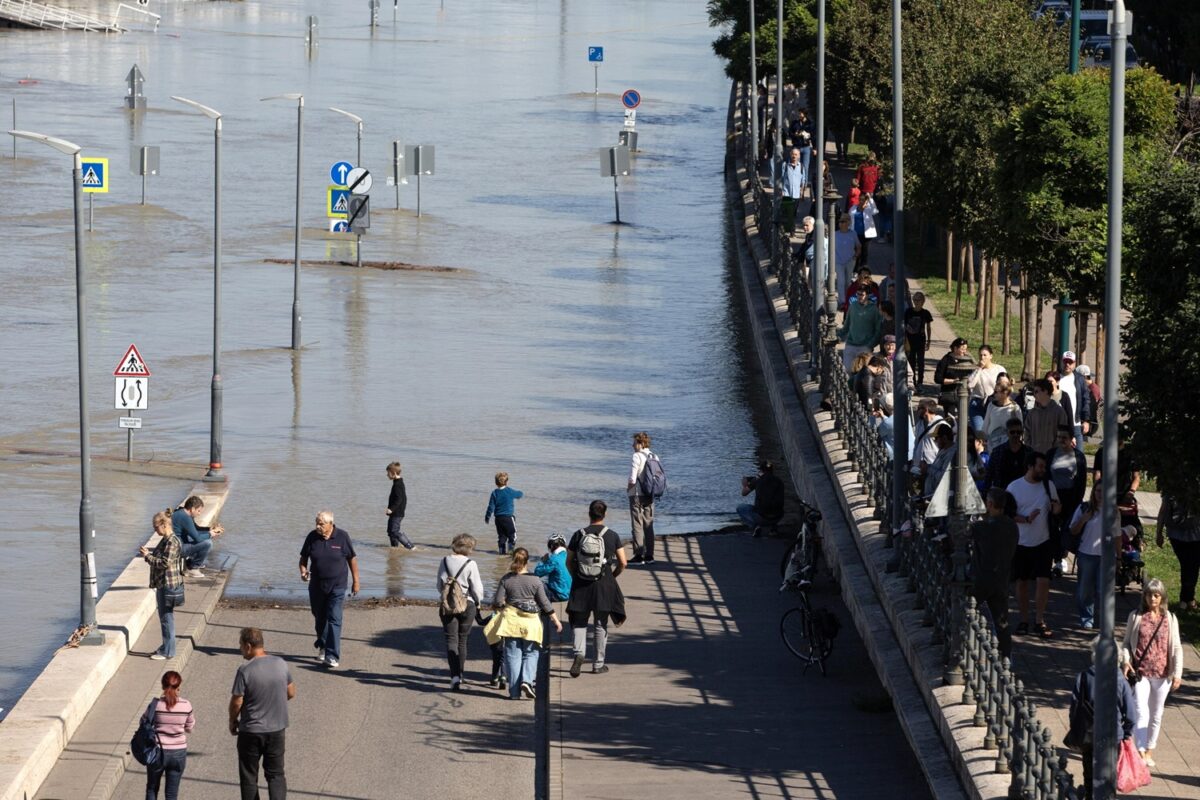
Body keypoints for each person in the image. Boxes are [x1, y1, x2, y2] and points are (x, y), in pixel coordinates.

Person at [1121, 579, 1185, 768]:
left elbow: (1177, 648)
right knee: (1141, 710)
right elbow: (1125, 644)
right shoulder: (1136, 616)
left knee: (1156, 714)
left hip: (1163, 674)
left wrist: (1178, 673)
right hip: (1140, 673)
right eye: (1149, 594)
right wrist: (1126, 661)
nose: (1152, 599)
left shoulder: (1170, 619)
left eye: (1156, 595)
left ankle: (1149, 749)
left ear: (1162, 597)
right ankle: (1140, 751)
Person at [487, 548, 563, 700]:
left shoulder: (506, 579)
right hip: (531, 622)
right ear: (527, 561)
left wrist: (503, 606)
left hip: (511, 622)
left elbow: (497, 601)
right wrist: (556, 620)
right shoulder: (536, 580)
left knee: (512, 656)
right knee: (531, 653)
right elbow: (544, 603)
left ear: (513, 559)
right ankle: (527, 681)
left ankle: (514, 693)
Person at [229, 627, 294, 800]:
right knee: (276, 774)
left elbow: (237, 701)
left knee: (249, 776)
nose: (240, 649)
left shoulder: (245, 670)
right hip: (277, 730)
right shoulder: (280, 663)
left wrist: (232, 720)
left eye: (241, 646)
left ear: (248, 646)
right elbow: (291, 692)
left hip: (251, 731)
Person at [566, 500, 627, 677]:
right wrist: (612, 576)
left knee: (579, 622)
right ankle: (598, 664)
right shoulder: (612, 535)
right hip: (604, 584)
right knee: (600, 624)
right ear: (604, 514)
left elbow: (568, 561)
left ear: (589, 514)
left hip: (581, 583)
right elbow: (623, 562)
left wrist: (575, 575)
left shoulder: (579, 534)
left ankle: (579, 654)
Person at [1069, 642, 1137, 799]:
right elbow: (1131, 714)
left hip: (1088, 734)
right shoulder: (1121, 681)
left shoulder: (1084, 676)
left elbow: (1074, 707)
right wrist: (1126, 733)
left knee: (1089, 774)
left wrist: (1075, 727)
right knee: (1108, 777)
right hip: (1113, 735)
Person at [1007, 451, 1061, 639]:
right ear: (1030, 466)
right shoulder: (1014, 487)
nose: (1043, 470)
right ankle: (1023, 619)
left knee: (1043, 581)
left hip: (1043, 541)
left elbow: (1057, 507)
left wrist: (1056, 509)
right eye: (1040, 466)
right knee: (1021, 582)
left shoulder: (1048, 485)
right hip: (1021, 542)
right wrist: (1025, 519)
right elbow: (1007, 513)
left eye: (1044, 467)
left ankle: (1039, 619)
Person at [298, 510, 359, 669]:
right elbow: (303, 559)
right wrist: (303, 572)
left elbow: (352, 559)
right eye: (316, 523)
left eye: (321, 524)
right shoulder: (312, 537)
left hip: (337, 586)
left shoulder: (342, 537)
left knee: (334, 618)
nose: (318, 526)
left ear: (330, 524)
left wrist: (356, 582)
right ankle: (323, 645)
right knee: (319, 617)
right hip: (317, 586)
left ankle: (332, 656)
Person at [970, 488, 1019, 657]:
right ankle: (1007, 657)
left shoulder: (982, 527)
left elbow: (962, 534)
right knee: (1002, 623)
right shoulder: (1012, 526)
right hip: (1002, 579)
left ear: (990, 504)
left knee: (965, 612)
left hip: (981, 579)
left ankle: (960, 648)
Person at [435, 533, 484, 690]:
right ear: (469, 548)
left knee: (451, 640)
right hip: (467, 604)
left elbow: (439, 584)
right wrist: (478, 602)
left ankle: (454, 675)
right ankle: (461, 674)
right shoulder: (471, 563)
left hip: (448, 605)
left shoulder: (444, 561)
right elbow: (477, 588)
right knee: (462, 640)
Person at [141, 509, 185, 661]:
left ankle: (168, 651)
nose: (155, 530)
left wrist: (148, 557)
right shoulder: (167, 540)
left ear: (164, 524)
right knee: (166, 618)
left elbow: (164, 563)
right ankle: (166, 647)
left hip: (168, 585)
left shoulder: (171, 542)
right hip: (165, 584)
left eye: (156, 527)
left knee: (167, 619)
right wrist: (149, 554)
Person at [143, 670, 193, 800]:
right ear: (179, 686)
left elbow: (144, 722)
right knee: (171, 794)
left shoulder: (155, 705)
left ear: (162, 686)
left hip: (157, 752)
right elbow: (189, 727)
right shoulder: (186, 705)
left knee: (152, 789)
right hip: (178, 753)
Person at [1046, 427, 1087, 577]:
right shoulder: (1051, 454)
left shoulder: (1079, 457)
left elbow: (1081, 482)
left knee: (1066, 530)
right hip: (1053, 497)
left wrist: (1077, 503)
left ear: (1071, 439)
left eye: (1064, 437)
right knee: (1052, 528)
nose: (1061, 440)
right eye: (1059, 437)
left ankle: (1061, 558)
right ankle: (1055, 558)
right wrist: (1050, 498)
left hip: (1071, 498)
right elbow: (1046, 477)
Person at [1069, 483, 1106, 629]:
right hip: (1086, 554)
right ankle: (1086, 617)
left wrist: (1118, 555)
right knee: (1085, 591)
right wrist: (1083, 519)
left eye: (1103, 491)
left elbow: (1116, 535)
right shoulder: (1084, 508)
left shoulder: (1112, 511)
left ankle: (1102, 619)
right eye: (1097, 491)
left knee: (1102, 590)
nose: (1100, 494)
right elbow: (1073, 530)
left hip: (1105, 556)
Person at [1157, 495, 1200, 612]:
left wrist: (1159, 532)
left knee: (1191, 565)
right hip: (1181, 533)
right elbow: (1164, 509)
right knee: (1189, 565)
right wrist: (1158, 532)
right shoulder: (1173, 483)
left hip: (1186, 533)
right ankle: (1186, 600)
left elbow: (1163, 510)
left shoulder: (1172, 483)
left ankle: (1187, 600)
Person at [172, 496, 223, 577]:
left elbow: (196, 529)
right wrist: (210, 534)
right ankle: (192, 568)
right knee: (207, 543)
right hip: (177, 549)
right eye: (198, 511)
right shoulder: (185, 517)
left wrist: (210, 529)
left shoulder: (182, 512)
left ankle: (191, 562)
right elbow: (198, 538)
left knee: (204, 538)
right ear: (192, 509)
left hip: (175, 546)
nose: (199, 514)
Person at [627, 431, 658, 564]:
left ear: (640, 443)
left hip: (637, 494)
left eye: (634, 442)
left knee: (637, 524)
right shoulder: (654, 456)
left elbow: (633, 478)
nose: (632, 445)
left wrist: (628, 489)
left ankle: (639, 555)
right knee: (649, 524)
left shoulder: (637, 456)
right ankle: (650, 555)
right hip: (650, 493)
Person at [838, 284, 882, 371]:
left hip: (865, 346)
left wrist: (870, 345)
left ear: (868, 295)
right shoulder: (853, 306)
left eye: (861, 294)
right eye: (857, 294)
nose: (859, 296)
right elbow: (846, 326)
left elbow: (878, 330)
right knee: (847, 372)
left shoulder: (874, 310)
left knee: (862, 374)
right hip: (851, 344)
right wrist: (838, 336)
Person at [738, 460, 786, 536]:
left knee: (740, 508)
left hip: (762, 517)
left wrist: (745, 484)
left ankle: (755, 527)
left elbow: (744, 493)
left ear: (761, 470)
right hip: (778, 516)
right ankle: (773, 529)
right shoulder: (779, 481)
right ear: (772, 470)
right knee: (773, 506)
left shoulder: (757, 480)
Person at [1023, 378, 1069, 455]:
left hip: (1053, 456)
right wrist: (1030, 449)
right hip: (1034, 457)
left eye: (1037, 391)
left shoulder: (1059, 412)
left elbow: (1063, 435)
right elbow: (1026, 434)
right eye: (1033, 392)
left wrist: (1053, 452)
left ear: (1046, 391)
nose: (1034, 395)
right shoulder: (1032, 413)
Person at [967, 345, 1005, 433]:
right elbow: (970, 384)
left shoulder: (999, 369)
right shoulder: (975, 369)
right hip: (977, 404)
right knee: (980, 433)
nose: (982, 357)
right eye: (980, 355)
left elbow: (1005, 385)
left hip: (994, 403)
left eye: (985, 355)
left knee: (993, 432)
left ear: (991, 356)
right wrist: (979, 368)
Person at [1058, 351, 1092, 451]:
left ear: (1075, 363)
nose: (1067, 364)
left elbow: (1086, 400)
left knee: (1079, 456)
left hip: (1076, 424)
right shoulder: (1056, 378)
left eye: (1070, 362)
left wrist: (1086, 420)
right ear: (1061, 362)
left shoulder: (1080, 379)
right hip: (1059, 425)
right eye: (1065, 361)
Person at [485, 471, 525, 555]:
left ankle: (501, 552)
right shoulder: (509, 491)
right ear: (507, 481)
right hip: (508, 518)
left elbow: (491, 506)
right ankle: (510, 551)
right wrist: (521, 492)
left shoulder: (494, 493)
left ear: (496, 482)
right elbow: (519, 494)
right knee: (512, 535)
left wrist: (487, 517)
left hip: (498, 519)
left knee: (502, 536)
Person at [981, 376, 1022, 454]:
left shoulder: (1015, 408)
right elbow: (986, 424)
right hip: (992, 445)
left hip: (1009, 447)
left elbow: (1020, 427)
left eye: (996, 392)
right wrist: (984, 439)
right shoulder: (991, 405)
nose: (994, 394)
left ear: (1005, 392)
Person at [903, 292, 934, 387]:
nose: (916, 302)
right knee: (911, 362)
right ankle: (913, 381)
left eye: (918, 300)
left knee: (921, 363)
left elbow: (928, 328)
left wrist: (929, 341)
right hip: (910, 341)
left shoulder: (926, 313)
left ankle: (920, 381)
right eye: (914, 300)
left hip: (921, 340)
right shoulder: (908, 311)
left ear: (923, 301)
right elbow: (903, 325)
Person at [933, 338, 974, 409]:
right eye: (962, 349)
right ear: (955, 348)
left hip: (964, 394)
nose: (964, 352)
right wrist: (953, 381)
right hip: (949, 394)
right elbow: (938, 379)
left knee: (964, 416)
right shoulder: (945, 360)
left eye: (966, 349)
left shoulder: (967, 359)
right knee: (950, 418)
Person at [384, 461, 414, 549]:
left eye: (388, 473)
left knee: (394, 531)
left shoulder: (398, 484)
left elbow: (399, 499)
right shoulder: (397, 482)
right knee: (390, 531)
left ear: (393, 473)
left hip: (397, 513)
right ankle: (394, 548)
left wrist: (391, 509)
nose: (387, 475)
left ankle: (410, 546)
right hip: (395, 512)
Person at [534, 533, 572, 602]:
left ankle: (545, 610)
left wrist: (543, 561)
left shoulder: (554, 559)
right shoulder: (569, 556)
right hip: (570, 593)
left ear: (551, 546)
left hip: (559, 595)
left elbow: (537, 573)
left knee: (535, 583)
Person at [833, 214, 860, 300]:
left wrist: (856, 256)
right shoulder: (834, 234)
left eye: (843, 221)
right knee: (841, 281)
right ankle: (842, 301)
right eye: (840, 221)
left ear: (848, 222)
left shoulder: (853, 233)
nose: (840, 223)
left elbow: (859, 246)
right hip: (838, 261)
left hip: (850, 261)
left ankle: (848, 299)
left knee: (848, 282)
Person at [779, 147, 805, 235]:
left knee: (793, 213)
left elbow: (803, 180)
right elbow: (782, 178)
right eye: (793, 154)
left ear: (799, 156)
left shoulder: (801, 166)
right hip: (787, 192)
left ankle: (789, 228)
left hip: (796, 194)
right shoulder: (785, 165)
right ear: (790, 155)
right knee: (788, 212)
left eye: (796, 154)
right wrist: (781, 190)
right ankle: (791, 230)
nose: (794, 156)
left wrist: (802, 192)